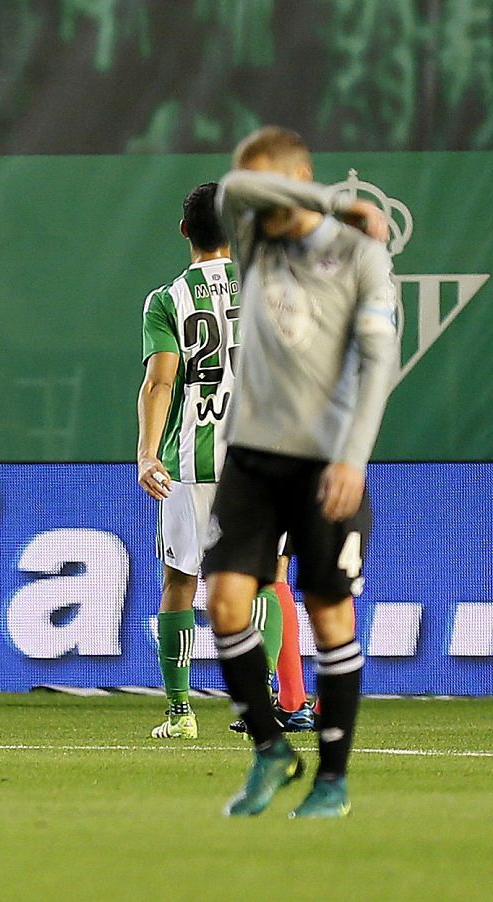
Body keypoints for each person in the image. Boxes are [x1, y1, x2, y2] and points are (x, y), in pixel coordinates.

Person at [201, 126, 396, 818]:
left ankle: (333, 780)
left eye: (279, 186)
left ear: (299, 174)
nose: (261, 205)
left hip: (325, 461)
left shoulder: (361, 258)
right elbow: (234, 190)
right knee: (224, 600)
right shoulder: (256, 241)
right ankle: (270, 751)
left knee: (328, 613)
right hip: (252, 456)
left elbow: (379, 363)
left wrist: (353, 455)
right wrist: (332, 199)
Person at [136, 183, 290, 740]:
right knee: (268, 580)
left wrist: (147, 451)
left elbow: (160, 381)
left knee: (180, 581)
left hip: (189, 461)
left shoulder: (167, 299)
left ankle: (180, 713)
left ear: (184, 232)